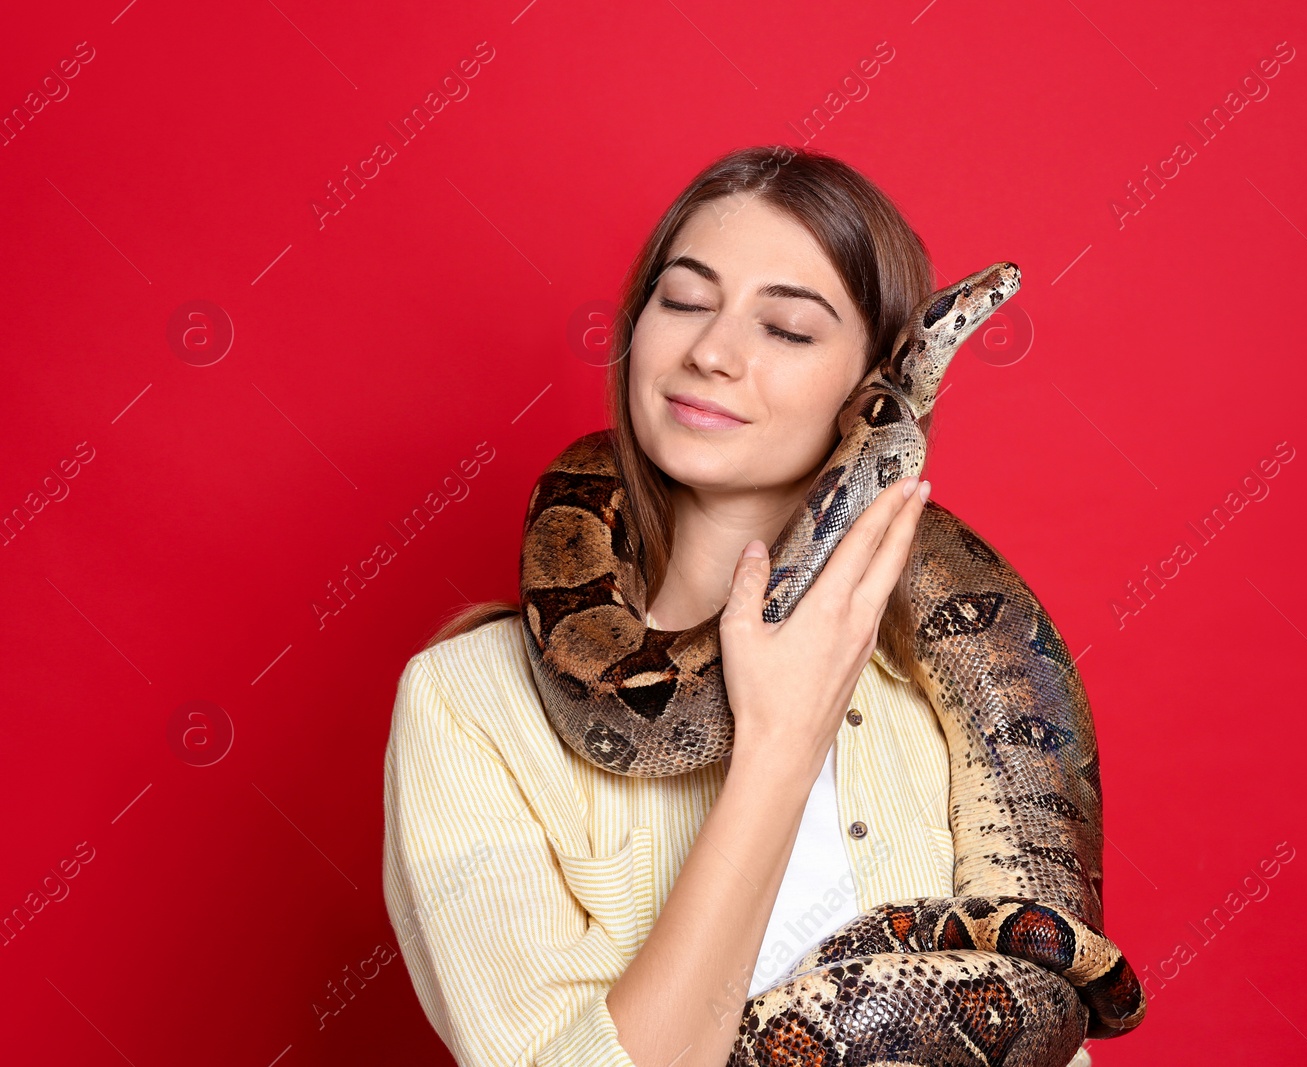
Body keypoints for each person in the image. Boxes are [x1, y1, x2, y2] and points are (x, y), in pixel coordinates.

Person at [381, 145, 1094, 1067]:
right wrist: (779, 746)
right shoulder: (466, 708)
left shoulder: (945, 687)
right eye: (682, 301)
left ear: (873, 387)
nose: (711, 353)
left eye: (789, 329)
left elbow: (1046, 1018)